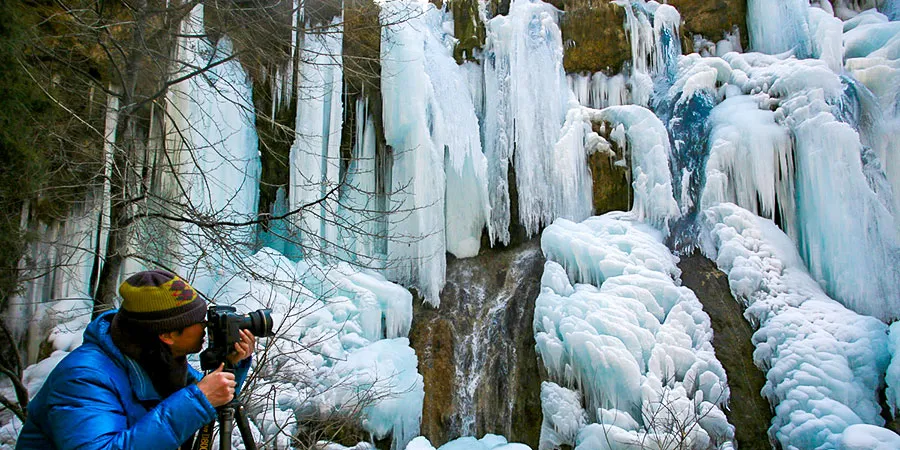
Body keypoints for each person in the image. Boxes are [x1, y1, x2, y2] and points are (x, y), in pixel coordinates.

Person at [16, 270, 256, 450]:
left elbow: (207, 399)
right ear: (167, 334)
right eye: (199, 320)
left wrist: (232, 364)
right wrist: (198, 400)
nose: (206, 327)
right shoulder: (83, 378)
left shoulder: (158, 359)